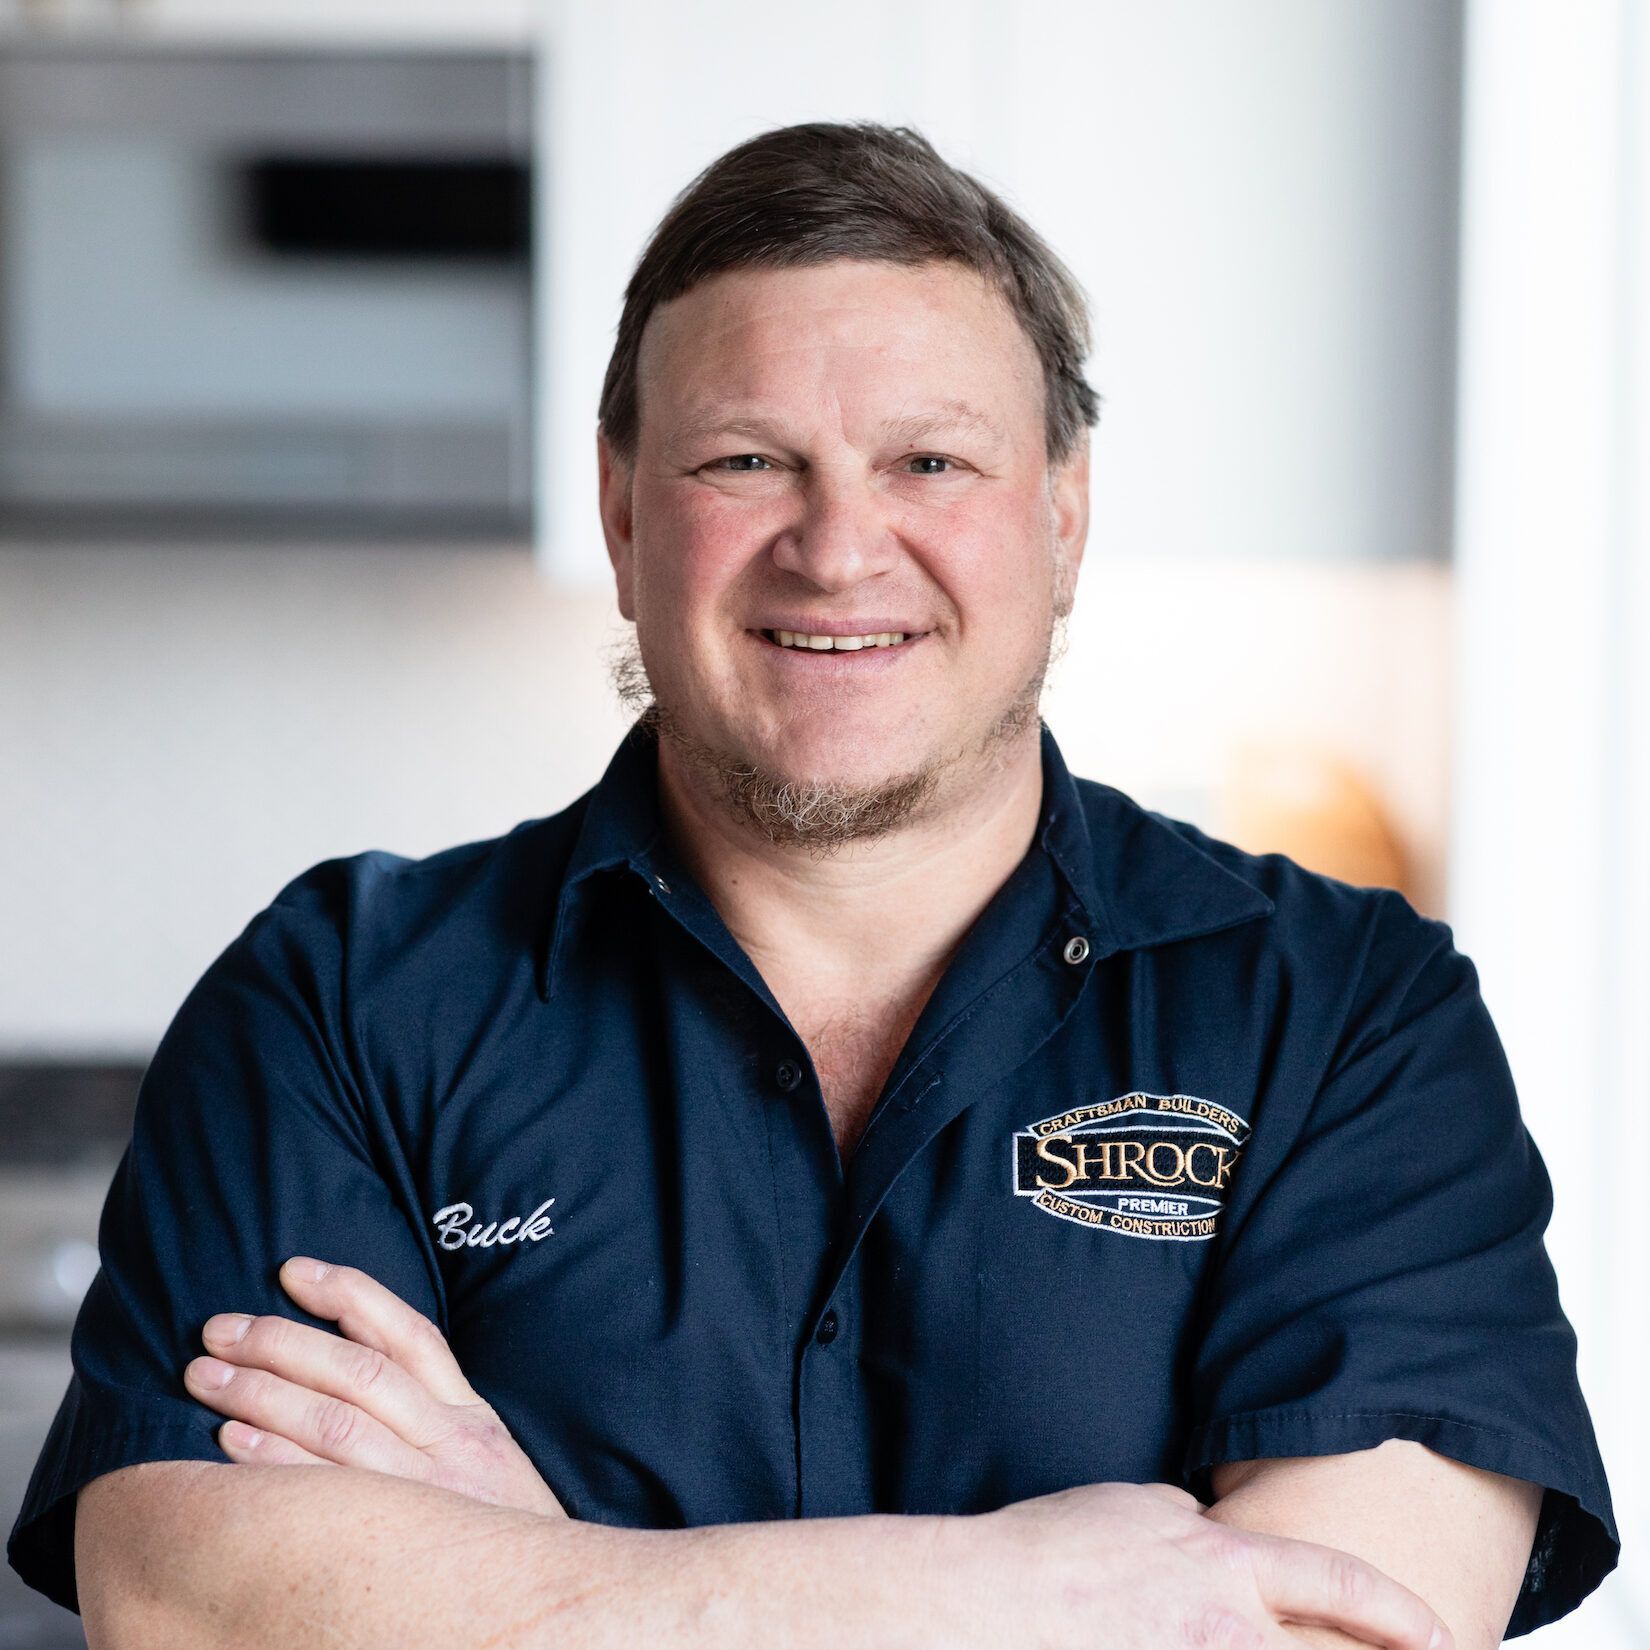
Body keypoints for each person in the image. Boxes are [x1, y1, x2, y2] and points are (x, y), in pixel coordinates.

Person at [7, 121, 1617, 1648]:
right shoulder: (342, 997)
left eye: (927, 459)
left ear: (1062, 517)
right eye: (746, 458)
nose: (838, 547)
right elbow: (190, 1601)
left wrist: (543, 1583)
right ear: (624, 508)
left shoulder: (1346, 1019)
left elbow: (1335, 1625)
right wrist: (1010, 1593)